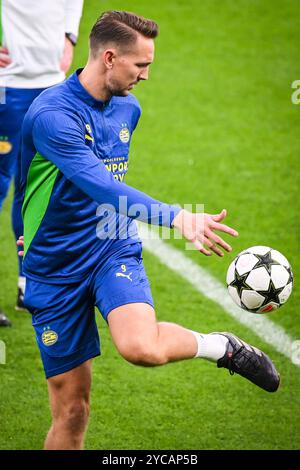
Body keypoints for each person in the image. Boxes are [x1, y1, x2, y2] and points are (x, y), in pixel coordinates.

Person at [18, 11, 280, 450]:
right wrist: (178, 216)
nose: (146, 76)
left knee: (141, 348)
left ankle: (220, 347)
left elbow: (106, 190)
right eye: (140, 66)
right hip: (54, 269)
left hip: (109, 246)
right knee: (72, 412)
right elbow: (96, 184)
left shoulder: (128, 108)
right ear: (108, 57)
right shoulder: (52, 115)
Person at [0, 0, 84, 326]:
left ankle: (28, 284)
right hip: (8, 86)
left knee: (35, 186)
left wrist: (69, 35)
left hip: (51, 84)